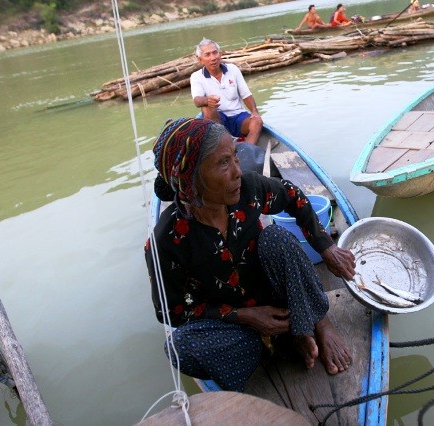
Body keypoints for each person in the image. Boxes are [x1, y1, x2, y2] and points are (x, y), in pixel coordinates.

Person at [145, 117, 356, 392]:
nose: (237, 171)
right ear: (190, 180)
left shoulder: (248, 190)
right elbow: (170, 312)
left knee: (277, 239)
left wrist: (325, 246)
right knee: (180, 347)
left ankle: (316, 324)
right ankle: (267, 345)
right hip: (236, 321)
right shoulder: (166, 241)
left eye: (235, 157)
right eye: (223, 163)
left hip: (276, 296)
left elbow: (293, 197)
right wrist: (245, 316)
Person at [190, 38, 263, 145]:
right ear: (200, 60)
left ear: (220, 54)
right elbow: (197, 101)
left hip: (238, 116)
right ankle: (224, 144)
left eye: (215, 53)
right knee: (207, 107)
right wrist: (207, 100)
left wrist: (254, 111)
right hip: (217, 119)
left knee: (257, 122)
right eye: (207, 55)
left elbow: (246, 94)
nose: (213, 58)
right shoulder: (196, 77)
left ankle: (247, 151)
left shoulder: (233, 69)